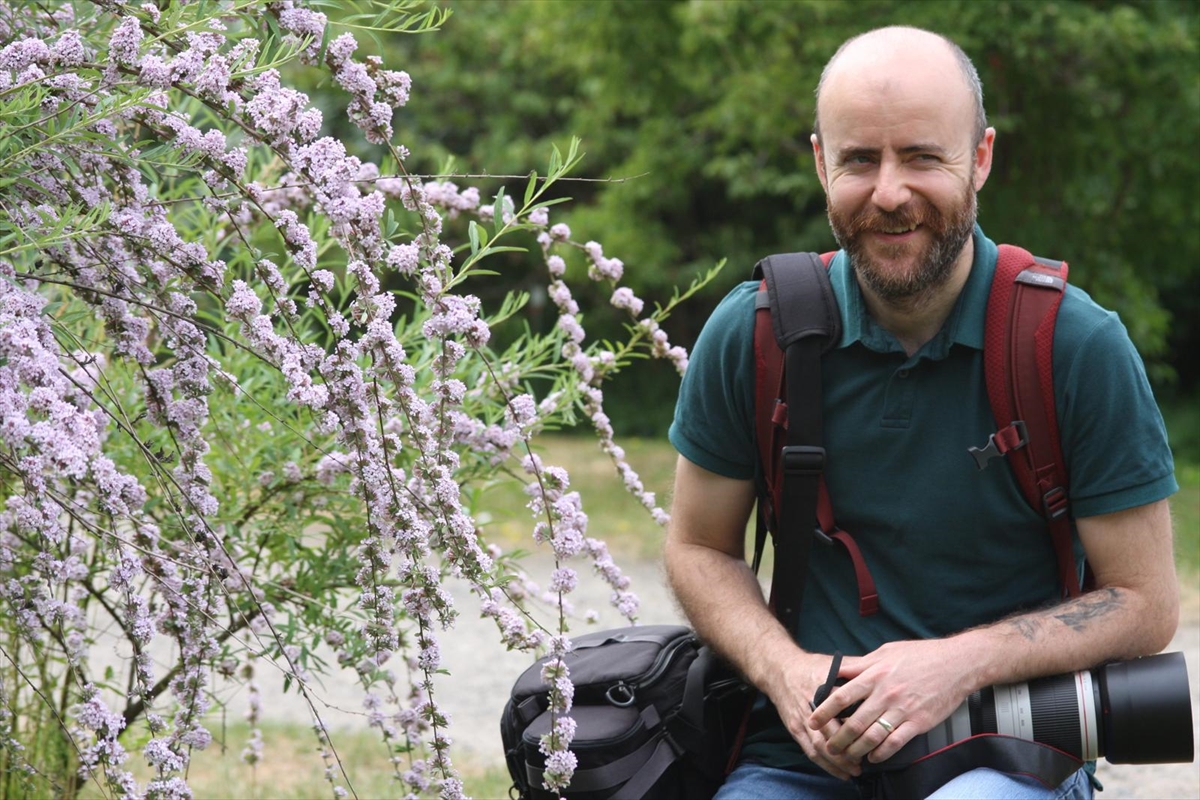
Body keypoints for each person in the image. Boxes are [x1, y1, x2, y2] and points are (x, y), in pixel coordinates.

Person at [664, 25, 1179, 800]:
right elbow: (699, 548)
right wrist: (785, 672)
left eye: (922, 156)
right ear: (819, 163)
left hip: (1006, 755)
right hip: (799, 758)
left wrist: (954, 665)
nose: (890, 192)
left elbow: (1146, 603)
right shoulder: (755, 333)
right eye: (860, 159)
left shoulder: (1073, 345)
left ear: (980, 157)